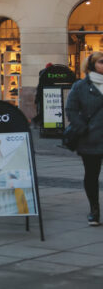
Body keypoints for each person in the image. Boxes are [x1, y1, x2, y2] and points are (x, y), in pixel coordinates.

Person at [65, 51, 103, 226]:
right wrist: (83, 128)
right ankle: (94, 210)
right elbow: (71, 110)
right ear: (91, 65)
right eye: (102, 62)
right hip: (90, 139)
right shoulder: (80, 86)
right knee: (92, 175)